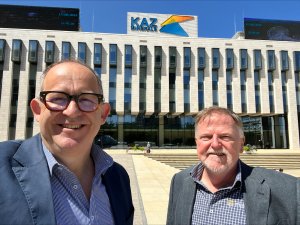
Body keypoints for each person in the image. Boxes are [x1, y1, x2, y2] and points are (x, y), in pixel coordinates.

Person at [0, 59, 134, 225]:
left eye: (86, 99)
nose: (72, 111)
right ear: (37, 110)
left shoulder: (118, 177)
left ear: (103, 114)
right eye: (57, 98)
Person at [167, 106, 300, 225]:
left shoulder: (289, 190)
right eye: (206, 137)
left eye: (225, 137)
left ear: (241, 144)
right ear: (197, 143)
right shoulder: (179, 181)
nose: (215, 144)